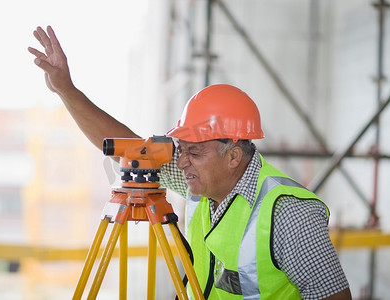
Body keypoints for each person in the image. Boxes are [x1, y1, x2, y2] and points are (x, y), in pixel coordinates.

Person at [28, 25, 352, 300]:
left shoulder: (288, 214)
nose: (180, 162)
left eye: (193, 152)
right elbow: (129, 149)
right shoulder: (200, 180)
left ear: (234, 156)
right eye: (180, 148)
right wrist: (66, 90)